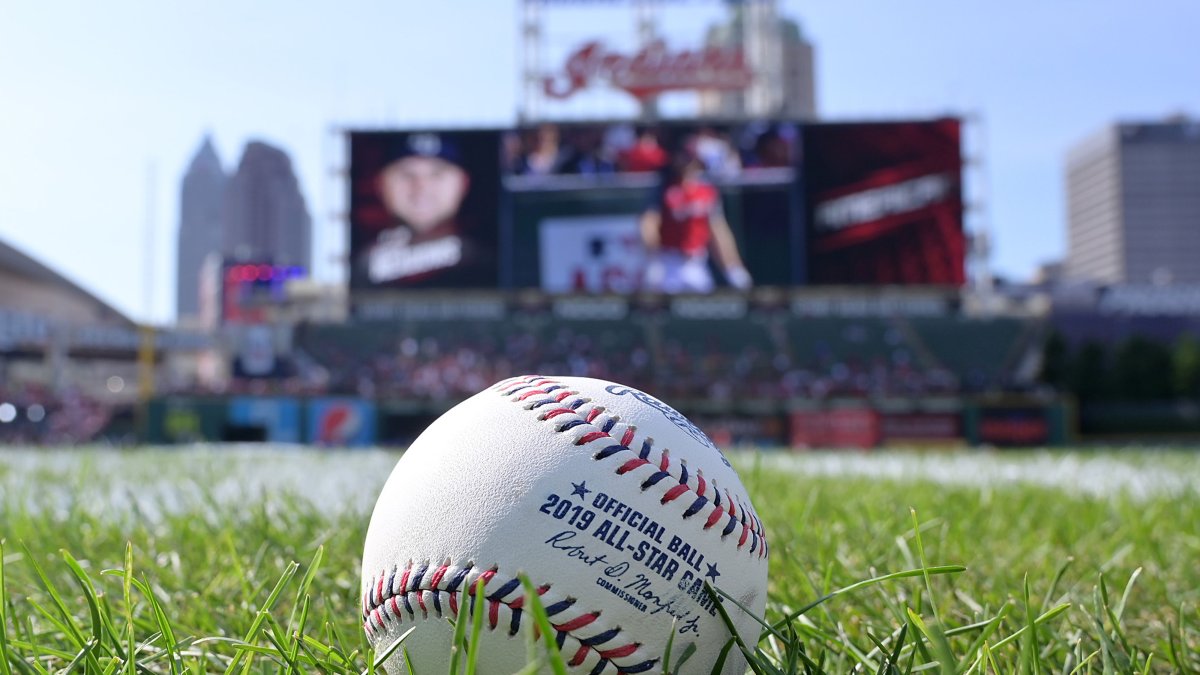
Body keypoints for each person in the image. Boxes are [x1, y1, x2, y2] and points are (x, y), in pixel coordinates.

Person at [357, 133, 487, 287]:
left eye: (437, 174)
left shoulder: (490, 264)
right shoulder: (354, 268)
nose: (421, 188)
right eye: (406, 174)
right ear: (380, 184)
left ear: (463, 183)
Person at [640, 154, 753, 294]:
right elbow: (649, 225)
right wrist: (654, 261)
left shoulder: (706, 191)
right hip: (668, 261)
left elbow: (718, 232)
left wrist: (733, 268)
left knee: (703, 308)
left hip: (696, 262)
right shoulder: (663, 190)